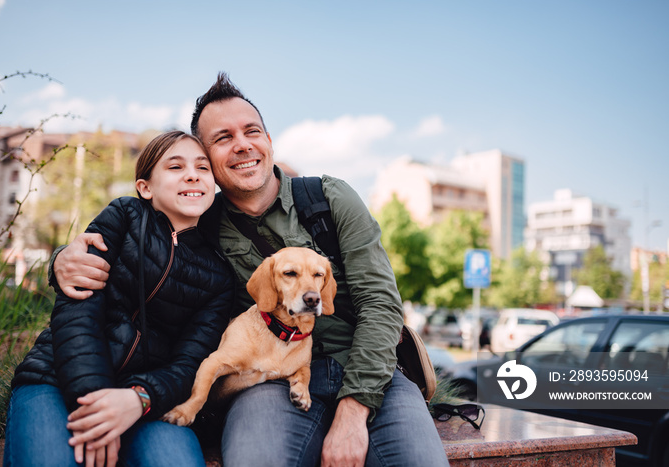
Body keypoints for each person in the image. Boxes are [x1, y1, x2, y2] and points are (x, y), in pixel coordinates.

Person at [51, 73, 449, 466]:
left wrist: (354, 409)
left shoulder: (330, 199)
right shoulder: (199, 222)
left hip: (366, 371)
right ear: (207, 159)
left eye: (252, 131)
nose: (242, 145)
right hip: (265, 379)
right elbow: (132, 248)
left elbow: (380, 304)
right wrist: (62, 261)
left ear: (269, 141)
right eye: (223, 138)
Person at [4, 131, 234, 467]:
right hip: (54, 378)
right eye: (175, 166)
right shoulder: (122, 216)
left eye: (203, 168)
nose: (192, 174)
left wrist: (138, 399)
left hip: (145, 399)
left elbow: (189, 365)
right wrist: (97, 406)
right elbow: (77, 312)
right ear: (145, 187)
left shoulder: (219, 277)